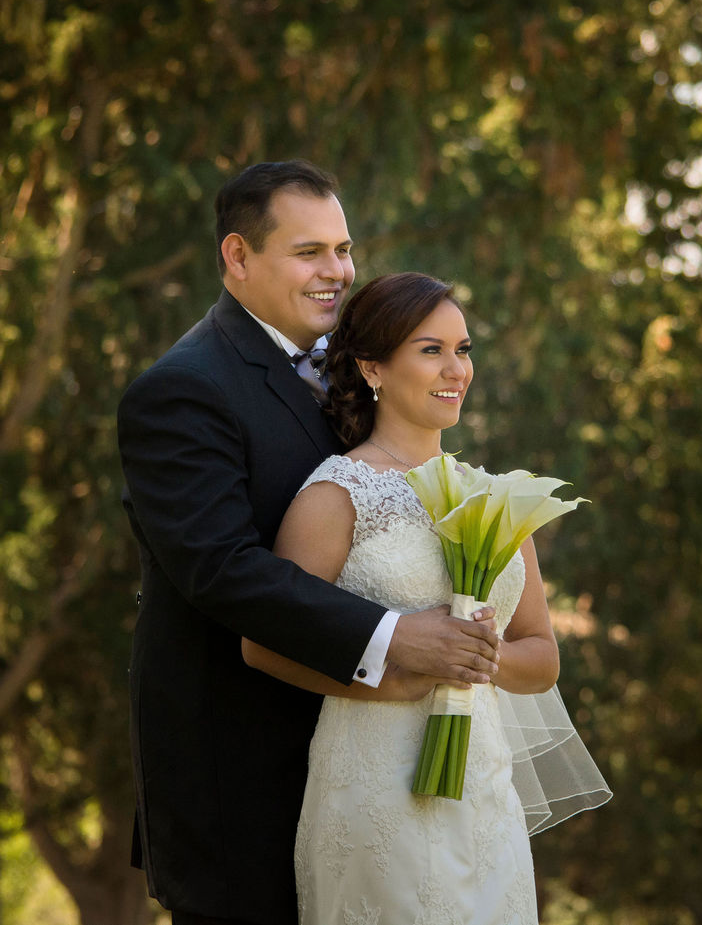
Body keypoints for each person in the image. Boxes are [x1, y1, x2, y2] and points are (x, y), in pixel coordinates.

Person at [117, 163, 503, 925]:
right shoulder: (184, 390)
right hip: (244, 780)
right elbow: (220, 569)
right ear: (238, 256)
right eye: (309, 252)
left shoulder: (352, 371)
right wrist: (395, 635)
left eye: (344, 248)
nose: (337, 272)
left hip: (372, 778)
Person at [243, 272, 612, 924]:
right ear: (373, 366)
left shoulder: (495, 499)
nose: (456, 368)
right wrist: (390, 677)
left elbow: (541, 658)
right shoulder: (336, 494)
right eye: (431, 348)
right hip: (374, 787)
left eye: (464, 348)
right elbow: (263, 644)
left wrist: (475, 653)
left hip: (484, 799)